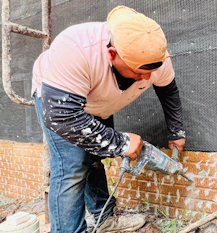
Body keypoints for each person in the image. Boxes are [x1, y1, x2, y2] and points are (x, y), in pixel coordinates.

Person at [31, 5, 186, 233]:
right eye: (138, 71)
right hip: (61, 103)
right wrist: (122, 143)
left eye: (151, 71)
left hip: (98, 101)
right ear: (112, 54)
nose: (146, 78)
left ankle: (104, 219)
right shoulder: (75, 48)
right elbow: (62, 117)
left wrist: (176, 132)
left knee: (94, 160)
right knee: (72, 168)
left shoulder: (153, 58)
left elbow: (168, 92)